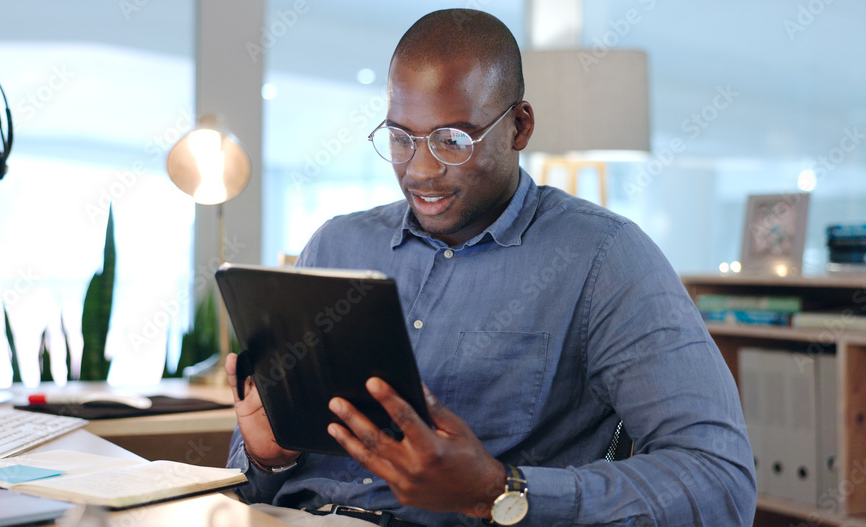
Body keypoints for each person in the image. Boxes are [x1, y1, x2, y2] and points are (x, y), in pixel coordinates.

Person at [226, 8, 756, 527]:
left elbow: (721, 482)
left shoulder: (604, 258)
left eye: (453, 140)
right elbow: (246, 488)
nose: (421, 171)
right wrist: (270, 459)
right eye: (401, 138)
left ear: (519, 126)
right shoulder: (336, 246)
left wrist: (500, 491)